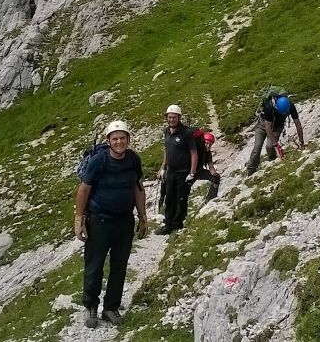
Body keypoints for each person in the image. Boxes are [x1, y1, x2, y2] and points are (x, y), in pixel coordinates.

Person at [74, 120, 148, 328]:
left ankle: (110, 307)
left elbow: (138, 189)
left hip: (124, 220)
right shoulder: (98, 160)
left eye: (122, 138)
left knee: (119, 266)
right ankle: (91, 306)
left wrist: (143, 217)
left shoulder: (133, 159)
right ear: (108, 141)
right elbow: (84, 189)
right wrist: (79, 219)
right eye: (115, 138)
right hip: (100, 220)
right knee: (94, 265)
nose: (119, 142)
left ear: (128, 140)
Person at [156, 104, 198, 235]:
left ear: (179, 118)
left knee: (181, 198)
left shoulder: (186, 133)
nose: (171, 119)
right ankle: (168, 223)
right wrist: (163, 167)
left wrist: (192, 172)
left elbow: (194, 153)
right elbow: (167, 151)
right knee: (169, 197)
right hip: (171, 171)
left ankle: (177, 223)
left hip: (183, 172)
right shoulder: (167, 131)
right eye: (169, 117)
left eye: (174, 117)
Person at [245, 92, 305, 175]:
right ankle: (251, 170)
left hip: (277, 127)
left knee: (269, 147)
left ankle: (272, 162)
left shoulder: (290, 106)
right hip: (262, 126)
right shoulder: (269, 107)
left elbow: (297, 124)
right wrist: (276, 144)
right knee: (257, 147)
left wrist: (301, 141)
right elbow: (267, 127)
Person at [189, 130, 221, 202]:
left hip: (197, 172)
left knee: (216, 177)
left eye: (210, 144)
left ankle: (210, 199)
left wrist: (215, 175)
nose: (208, 146)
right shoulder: (197, 149)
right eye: (206, 143)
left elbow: (211, 166)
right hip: (190, 172)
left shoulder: (207, 152)